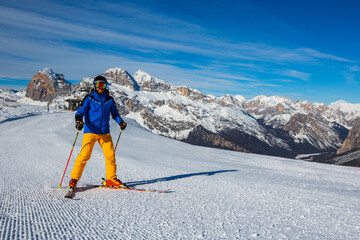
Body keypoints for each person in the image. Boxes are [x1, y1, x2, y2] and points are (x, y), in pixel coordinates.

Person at [68, 75, 127, 189]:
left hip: (104, 132)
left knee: (110, 155)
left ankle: (111, 178)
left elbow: (115, 114)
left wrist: (121, 122)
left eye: (103, 85)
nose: (100, 87)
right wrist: (79, 120)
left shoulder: (109, 100)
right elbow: (80, 111)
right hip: (90, 131)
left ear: (105, 86)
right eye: (98, 85)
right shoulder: (89, 98)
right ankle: (74, 179)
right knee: (84, 155)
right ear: (94, 86)